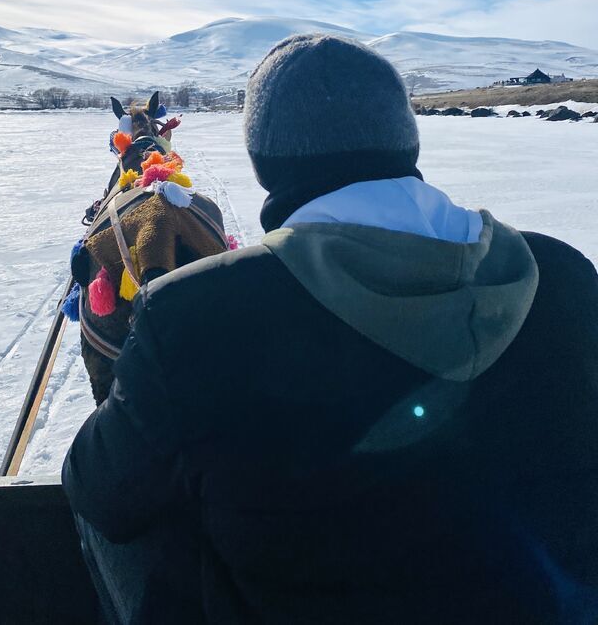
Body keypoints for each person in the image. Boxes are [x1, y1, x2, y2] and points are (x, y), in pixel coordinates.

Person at [63, 33, 598, 624]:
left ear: (265, 161)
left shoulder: (194, 313)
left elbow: (98, 491)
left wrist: (126, 365)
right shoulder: (565, 276)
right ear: (405, 138)